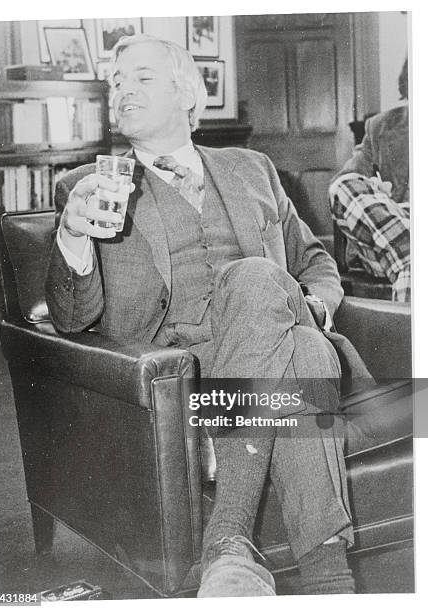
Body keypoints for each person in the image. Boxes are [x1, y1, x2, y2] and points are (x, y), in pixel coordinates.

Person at [45, 34, 369, 597]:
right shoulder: (87, 187)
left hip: (260, 333)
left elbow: (315, 260)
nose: (122, 89)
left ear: (186, 92)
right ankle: (327, 580)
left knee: (258, 282)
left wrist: (314, 303)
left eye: (141, 77)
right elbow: (72, 320)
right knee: (307, 351)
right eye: (116, 81)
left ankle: (227, 543)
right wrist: (72, 234)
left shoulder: (253, 168)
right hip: (178, 377)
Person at [329, 58, 410, 302]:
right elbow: (347, 185)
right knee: (343, 187)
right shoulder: (381, 126)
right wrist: (377, 192)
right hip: (383, 243)